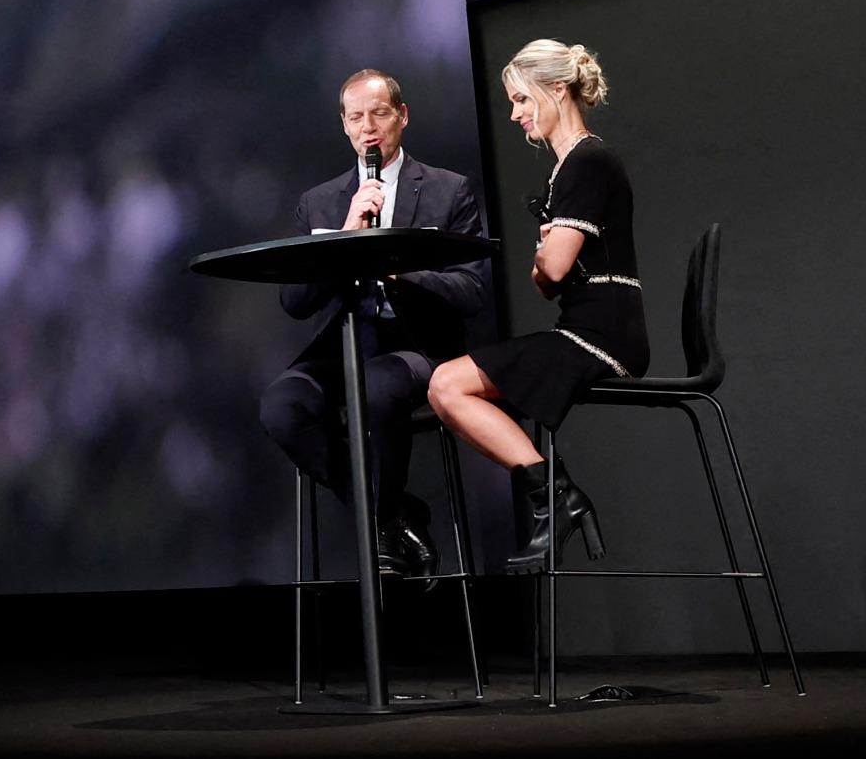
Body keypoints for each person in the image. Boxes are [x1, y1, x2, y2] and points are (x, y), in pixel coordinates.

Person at [425, 39, 648, 573]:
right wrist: (549, 254)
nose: (515, 114)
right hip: (587, 326)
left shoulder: (585, 162)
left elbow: (549, 270)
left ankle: (556, 495)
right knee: (451, 386)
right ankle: (556, 494)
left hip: (601, 335)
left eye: (522, 100)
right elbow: (548, 281)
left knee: (446, 385)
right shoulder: (568, 167)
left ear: (556, 88)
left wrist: (549, 252)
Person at [260, 70, 491, 576]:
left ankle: (386, 520)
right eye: (357, 117)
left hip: (417, 345)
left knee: (380, 384)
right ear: (344, 126)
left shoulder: (447, 191)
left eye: (380, 113)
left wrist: (394, 266)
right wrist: (344, 238)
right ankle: (392, 516)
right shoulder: (320, 202)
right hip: (344, 343)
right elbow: (295, 301)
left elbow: (471, 291)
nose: (369, 128)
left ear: (402, 117)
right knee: (282, 406)